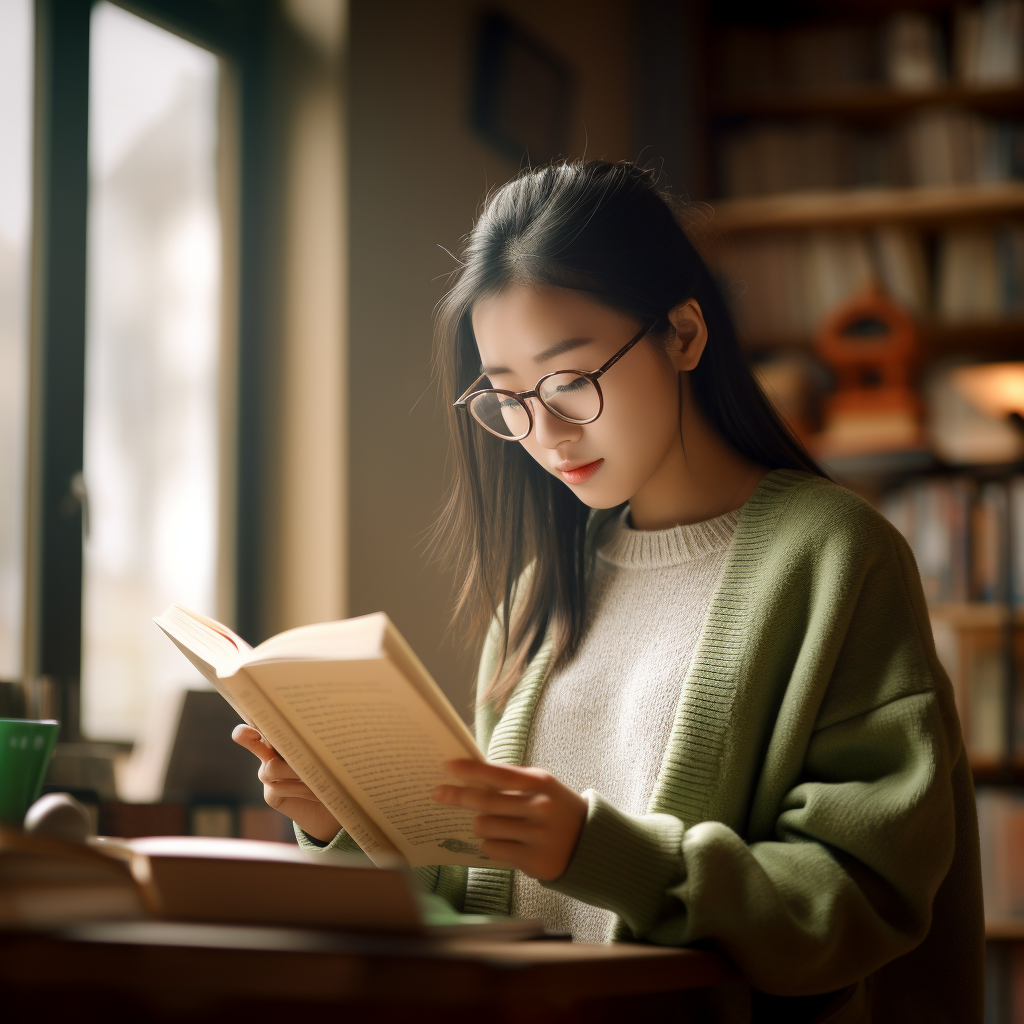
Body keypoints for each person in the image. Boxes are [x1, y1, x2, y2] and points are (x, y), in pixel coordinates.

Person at [234, 160, 984, 1023]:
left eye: (571, 380)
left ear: (684, 334)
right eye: (508, 398)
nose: (544, 434)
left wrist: (604, 852)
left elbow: (860, 896)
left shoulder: (834, 556)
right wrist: (341, 821)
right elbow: (483, 891)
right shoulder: (539, 591)